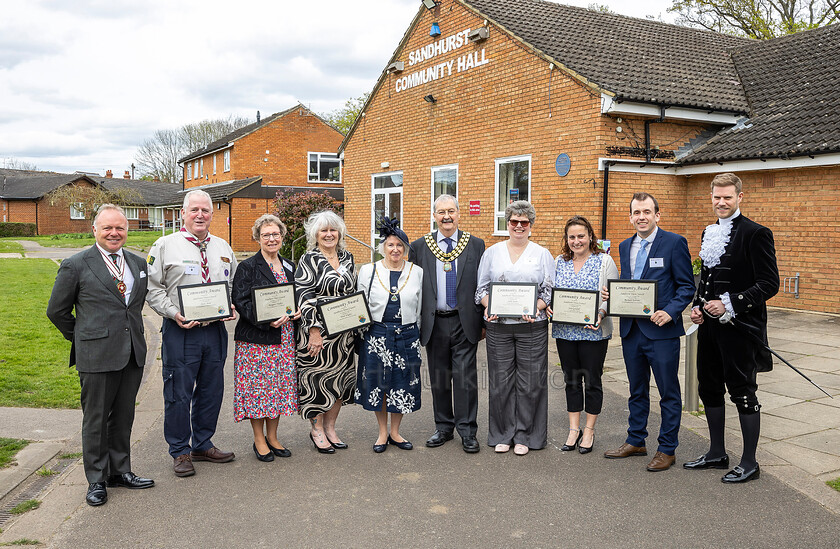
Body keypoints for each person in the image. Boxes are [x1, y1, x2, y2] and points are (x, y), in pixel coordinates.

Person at [47, 204, 154, 506]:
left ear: (127, 230)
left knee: (123, 416)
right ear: (94, 229)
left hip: (132, 351)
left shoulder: (137, 262)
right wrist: (83, 338)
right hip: (96, 355)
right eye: (107, 227)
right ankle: (96, 478)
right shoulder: (76, 264)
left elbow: (132, 306)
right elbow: (56, 311)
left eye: (119, 227)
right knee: (95, 419)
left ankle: (120, 471)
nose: (114, 233)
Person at [686, 173, 778, 483]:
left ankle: (750, 462)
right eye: (717, 197)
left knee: (742, 390)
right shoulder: (709, 231)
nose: (721, 202)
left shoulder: (756, 233)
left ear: (740, 197)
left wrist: (731, 303)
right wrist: (698, 305)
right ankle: (716, 453)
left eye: (727, 197)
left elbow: (769, 283)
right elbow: (708, 278)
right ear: (711, 197)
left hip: (740, 328)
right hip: (710, 328)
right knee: (708, 387)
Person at [146, 189, 238, 477]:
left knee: (212, 390)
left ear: (212, 215)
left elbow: (232, 284)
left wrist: (231, 304)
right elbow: (153, 289)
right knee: (178, 392)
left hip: (215, 332)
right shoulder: (164, 246)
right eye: (194, 210)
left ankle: (202, 443)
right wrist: (174, 313)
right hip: (181, 331)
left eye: (205, 211)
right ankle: (180, 451)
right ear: (183, 213)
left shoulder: (223, 247)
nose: (200, 215)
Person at [602, 193, 695, 472]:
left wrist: (671, 311)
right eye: (636, 212)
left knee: (668, 392)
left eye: (646, 211)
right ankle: (636, 440)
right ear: (630, 216)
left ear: (657, 214)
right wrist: (612, 294)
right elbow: (630, 286)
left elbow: (686, 287)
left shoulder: (674, 243)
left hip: (662, 331)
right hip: (632, 331)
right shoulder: (624, 244)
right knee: (636, 389)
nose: (641, 217)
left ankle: (667, 449)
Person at [475, 201, 554, 456]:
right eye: (514, 222)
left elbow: (549, 291)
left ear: (531, 225)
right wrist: (490, 306)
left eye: (524, 222)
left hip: (532, 327)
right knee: (500, 382)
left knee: (531, 383)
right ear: (507, 224)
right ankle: (502, 434)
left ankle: (527, 435)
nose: (519, 226)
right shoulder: (493, 252)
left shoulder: (542, 254)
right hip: (498, 326)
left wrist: (536, 308)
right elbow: (482, 288)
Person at [410, 194, 485, 453]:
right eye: (441, 212)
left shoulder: (475, 245)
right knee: (439, 377)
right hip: (435, 322)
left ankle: (467, 430)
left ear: (459, 213)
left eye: (451, 211)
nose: (446, 217)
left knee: (465, 378)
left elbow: (482, 283)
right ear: (434, 216)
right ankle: (443, 427)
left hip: (464, 321)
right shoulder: (420, 246)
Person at [231, 214, 300, 462]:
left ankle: (273, 436)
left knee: (277, 390)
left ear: (282, 236)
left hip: (284, 339)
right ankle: (259, 439)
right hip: (256, 341)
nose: (271, 239)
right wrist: (265, 320)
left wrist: (298, 311)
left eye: (275, 234)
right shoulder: (248, 266)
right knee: (257, 391)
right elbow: (240, 301)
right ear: (257, 238)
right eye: (266, 235)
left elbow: (296, 296)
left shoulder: (290, 265)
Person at [549, 216, 618, 456]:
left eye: (581, 236)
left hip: (593, 333)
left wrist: (601, 312)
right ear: (566, 240)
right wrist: (549, 305)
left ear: (590, 236)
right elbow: (550, 291)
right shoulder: (559, 261)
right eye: (572, 237)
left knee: (592, 381)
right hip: (565, 332)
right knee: (571, 380)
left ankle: (589, 430)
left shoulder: (604, 261)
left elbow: (613, 296)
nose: (576, 241)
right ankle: (573, 428)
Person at [356, 218, 423, 453]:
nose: (395, 250)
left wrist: (418, 335)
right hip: (376, 334)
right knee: (379, 383)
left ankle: (395, 431)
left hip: (407, 335)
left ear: (406, 248)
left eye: (400, 245)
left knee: (402, 383)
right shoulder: (368, 270)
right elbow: (359, 305)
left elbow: (420, 305)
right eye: (391, 245)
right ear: (383, 247)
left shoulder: (417, 272)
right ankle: (382, 432)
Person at [295, 210, 356, 454]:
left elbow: (353, 291)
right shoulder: (308, 259)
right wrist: (314, 331)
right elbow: (305, 296)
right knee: (317, 381)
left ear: (339, 232)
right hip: (318, 333)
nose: (329, 234)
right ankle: (317, 430)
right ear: (315, 234)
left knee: (339, 382)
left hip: (343, 334)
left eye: (333, 230)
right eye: (324, 230)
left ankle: (331, 428)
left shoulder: (347, 256)